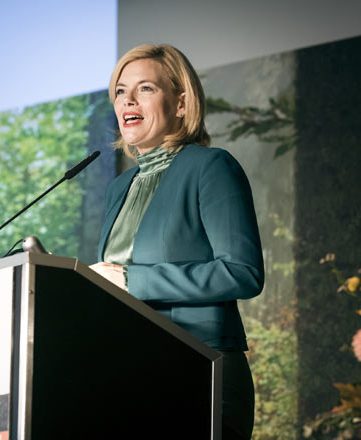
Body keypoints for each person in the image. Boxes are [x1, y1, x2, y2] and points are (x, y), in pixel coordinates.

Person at [89, 44, 264, 440]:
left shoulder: (210, 166)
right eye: (120, 91)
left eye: (145, 88)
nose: (127, 100)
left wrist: (135, 281)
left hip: (200, 373)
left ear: (181, 103)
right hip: (130, 385)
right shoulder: (120, 187)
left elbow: (243, 272)